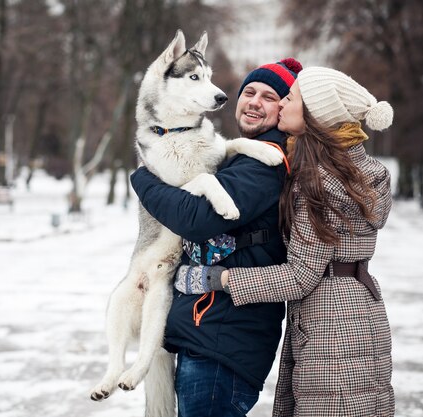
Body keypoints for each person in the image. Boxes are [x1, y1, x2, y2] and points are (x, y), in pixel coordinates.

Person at [172, 67, 396, 416]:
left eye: (289, 98)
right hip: (356, 310)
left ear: (314, 114)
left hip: (332, 327)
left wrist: (217, 279)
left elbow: (300, 275)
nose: (282, 105)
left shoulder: (319, 183)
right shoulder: (350, 170)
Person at [130, 58, 303, 417]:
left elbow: (196, 218)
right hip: (209, 333)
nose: (254, 101)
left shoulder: (262, 163)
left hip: (224, 341)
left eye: (269, 97)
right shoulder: (242, 157)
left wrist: (143, 178)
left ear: (285, 108)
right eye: (249, 92)